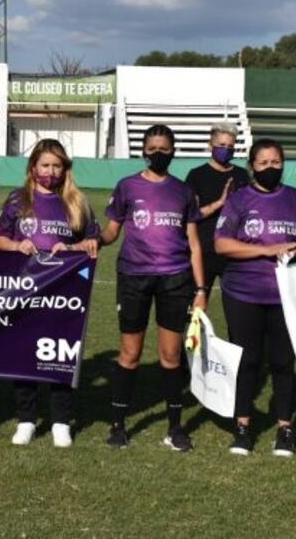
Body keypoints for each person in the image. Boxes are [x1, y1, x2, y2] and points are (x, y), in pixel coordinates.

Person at [100, 124, 206, 452]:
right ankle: (118, 425)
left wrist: (201, 289)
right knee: (130, 354)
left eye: (164, 148)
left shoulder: (183, 191)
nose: (158, 153)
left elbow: (194, 244)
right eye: (153, 148)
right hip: (134, 277)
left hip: (175, 279)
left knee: (171, 356)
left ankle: (175, 428)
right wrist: (91, 240)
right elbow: (111, 232)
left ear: (174, 151)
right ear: (144, 151)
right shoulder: (127, 186)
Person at [215, 138, 296, 457]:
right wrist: (265, 249)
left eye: (276, 162)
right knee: (247, 361)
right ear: (252, 165)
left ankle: (285, 429)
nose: (270, 168)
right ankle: (244, 427)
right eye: (263, 163)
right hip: (242, 292)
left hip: (287, 295)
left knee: (282, 362)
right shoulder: (238, 200)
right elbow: (222, 244)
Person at [0, 139, 99, 448]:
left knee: (60, 354)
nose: (50, 172)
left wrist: (73, 246)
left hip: (63, 292)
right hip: (23, 289)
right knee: (24, 353)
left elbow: (93, 243)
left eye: (56, 165)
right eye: (45, 165)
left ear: (65, 168)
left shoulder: (77, 202)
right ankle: (26, 419)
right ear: (33, 168)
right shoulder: (18, 199)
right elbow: (0, 238)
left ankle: (60, 421)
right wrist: (16, 245)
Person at [184, 123, 249, 296]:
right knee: (195, 309)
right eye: (221, 145)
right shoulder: (197, 175)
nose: (225, 150)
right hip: (204, 251)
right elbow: (191, 216)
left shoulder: (242, 176)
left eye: (230, 146)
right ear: (210, 145)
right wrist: (220, 203)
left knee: (238, 308)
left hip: (233, 252)